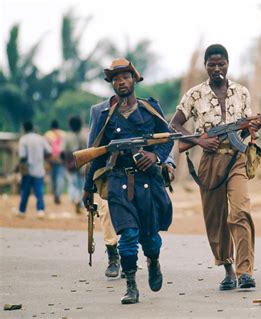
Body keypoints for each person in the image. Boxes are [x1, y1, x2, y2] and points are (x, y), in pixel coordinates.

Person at [170, 44, 261, 290]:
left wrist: (253, 126)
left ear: (228, 64)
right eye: (212, 64)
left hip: (236, 158)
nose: (217, 69)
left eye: (221, 64)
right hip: (210, 161)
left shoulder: (241, 92)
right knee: (215, 218)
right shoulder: (194, 94)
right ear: (205, 66)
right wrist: (198, 140)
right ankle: (229, 270)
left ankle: (246, 272)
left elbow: (248, 124)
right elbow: (175, 124)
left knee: (240, 211)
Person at [82, 58, 173, 304]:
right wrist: (88, 188)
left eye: (125, 77)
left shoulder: (150, 108)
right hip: (118, 182)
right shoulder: (105, 115)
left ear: (134, 79)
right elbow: (95, 153)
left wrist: (155, 156)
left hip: (148, 182)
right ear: (112, 84)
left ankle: (153, 261)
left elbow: (168, 139)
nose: (121, 82)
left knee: (151, 239)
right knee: (128, 235)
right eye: (116, 79)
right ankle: (131, 285)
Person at [18, 121, 52, 218]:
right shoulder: (40, 138)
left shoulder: (23, 140)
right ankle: (40, 210)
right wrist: (41, 157)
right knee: (39, 191)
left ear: (24, 129)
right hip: (39, 169)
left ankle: (22, 211)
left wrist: (18, 166)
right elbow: (49, 152)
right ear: (33, 128)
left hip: (27, 170)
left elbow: (22, 156)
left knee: (25, 191)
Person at [62, 116, 88, 214]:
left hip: (71, 164)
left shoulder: (67, 136)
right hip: (84, 164)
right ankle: (81, 202)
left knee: (72, 183)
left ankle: (74, 199)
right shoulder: (84, 135)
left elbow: (63, 152)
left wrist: (65, 162)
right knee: (82, 184)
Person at [44, 119, 66, 204]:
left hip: (51, 160)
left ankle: (55, 194)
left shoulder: (47, 134)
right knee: (60, 178)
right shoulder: (63, 134)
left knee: (53, 178)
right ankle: (58, 194)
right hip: (61, 160)